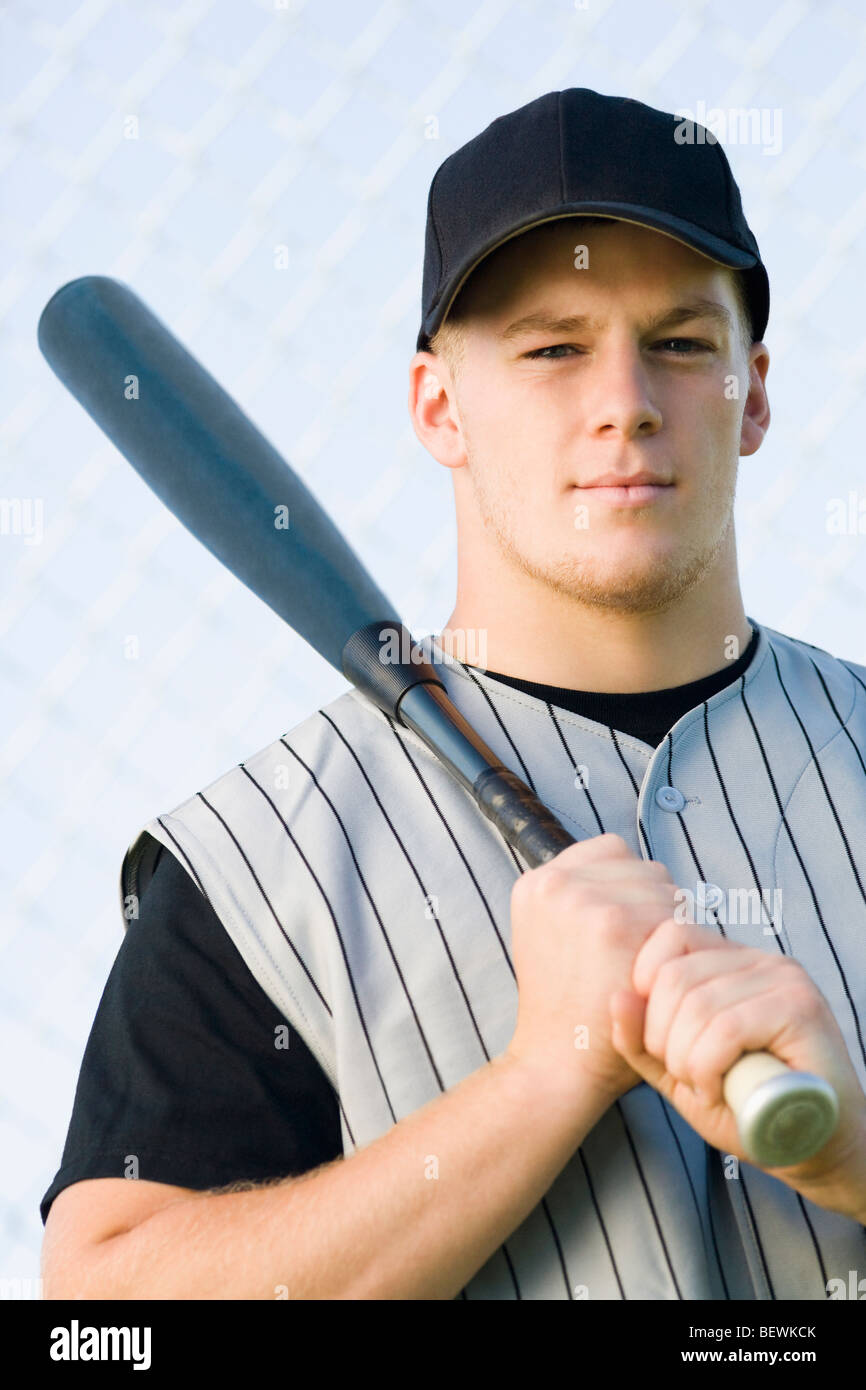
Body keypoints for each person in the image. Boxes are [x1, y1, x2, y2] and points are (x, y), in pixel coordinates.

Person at [40, 88, 866, 1300]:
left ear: (753, 392)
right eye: (551, 347)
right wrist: (540, 1080)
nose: (623, 399)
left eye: (681, 342)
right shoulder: (261, 863)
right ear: (438, 406)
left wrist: (850, 1152)